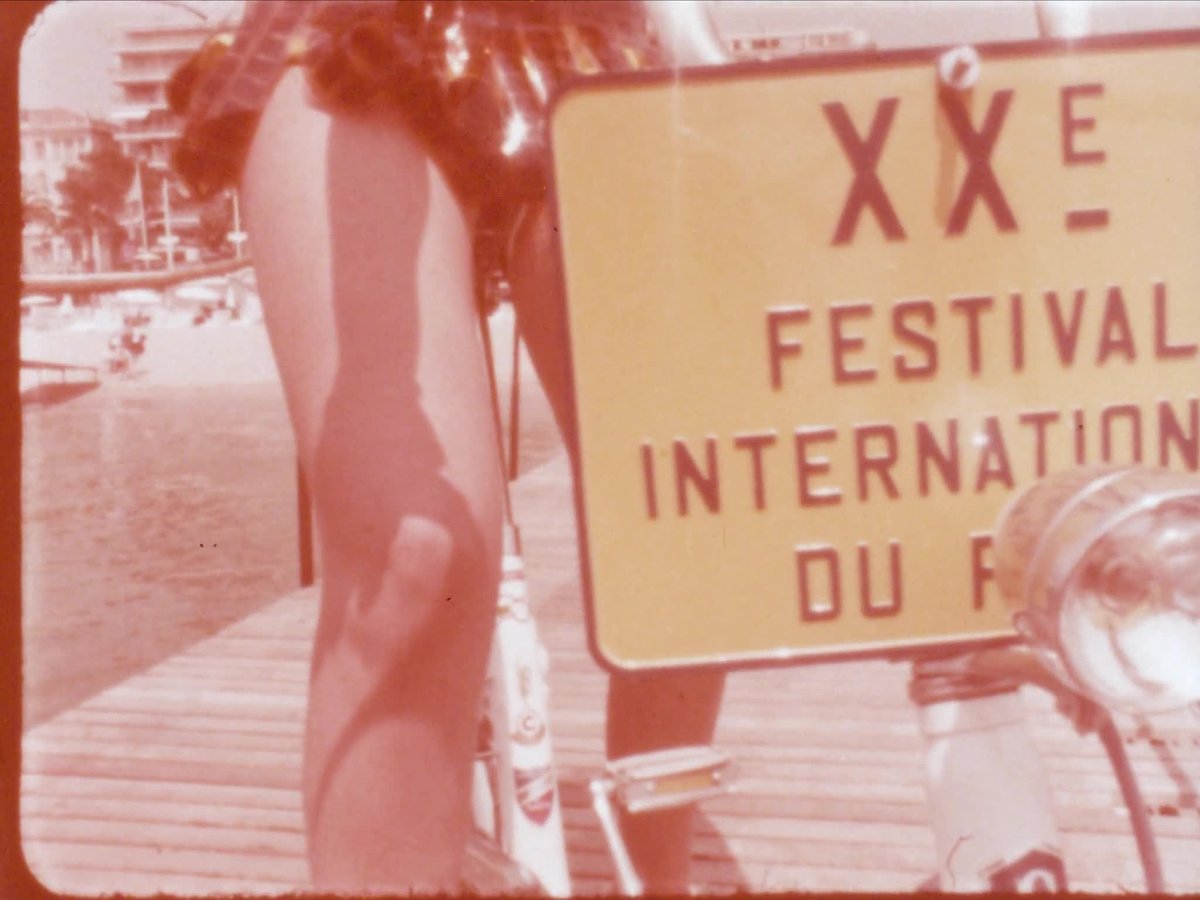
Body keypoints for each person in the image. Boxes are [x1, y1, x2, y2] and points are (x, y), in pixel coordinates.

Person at [169, 1, 725, 892]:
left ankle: (656, 880)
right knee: (412, 556)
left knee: (693, 510)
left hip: (593, 28)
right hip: (348, 28)